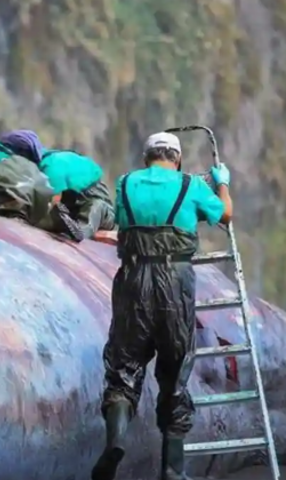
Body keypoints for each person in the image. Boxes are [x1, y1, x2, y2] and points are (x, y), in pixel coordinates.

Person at [91, 132, 233, 480]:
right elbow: (225, 215)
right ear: (177, 159)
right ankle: (171, 469)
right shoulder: (190, 186)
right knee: (175, 372)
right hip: (175, 282)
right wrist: (222, 183)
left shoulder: (125, 184)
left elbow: (124, 224)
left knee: (123, 368)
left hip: (133, 279)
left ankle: (116, 440)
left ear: (146, 158)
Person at [0, 129, 116, 241]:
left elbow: (53, 201)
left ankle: (79, 232)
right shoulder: (40, 169)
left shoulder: (52, 166)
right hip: (70, 211)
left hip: (100, 210)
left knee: (92, 211)